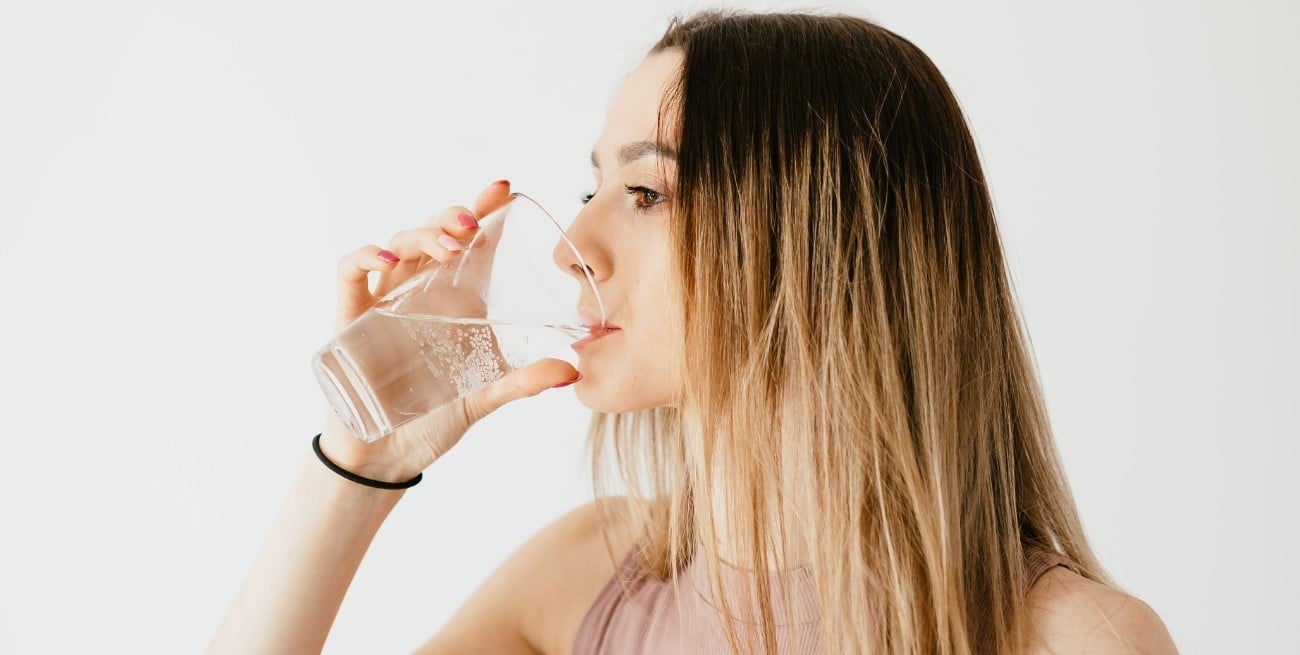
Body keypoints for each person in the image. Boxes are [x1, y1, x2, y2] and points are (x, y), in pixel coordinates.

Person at [208, 9, 1179, 655]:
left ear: (821, 238)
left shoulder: (1069, 637)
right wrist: (358, 460)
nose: (571, 246)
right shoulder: (585, 581)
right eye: (593, 186)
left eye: (643, 192)